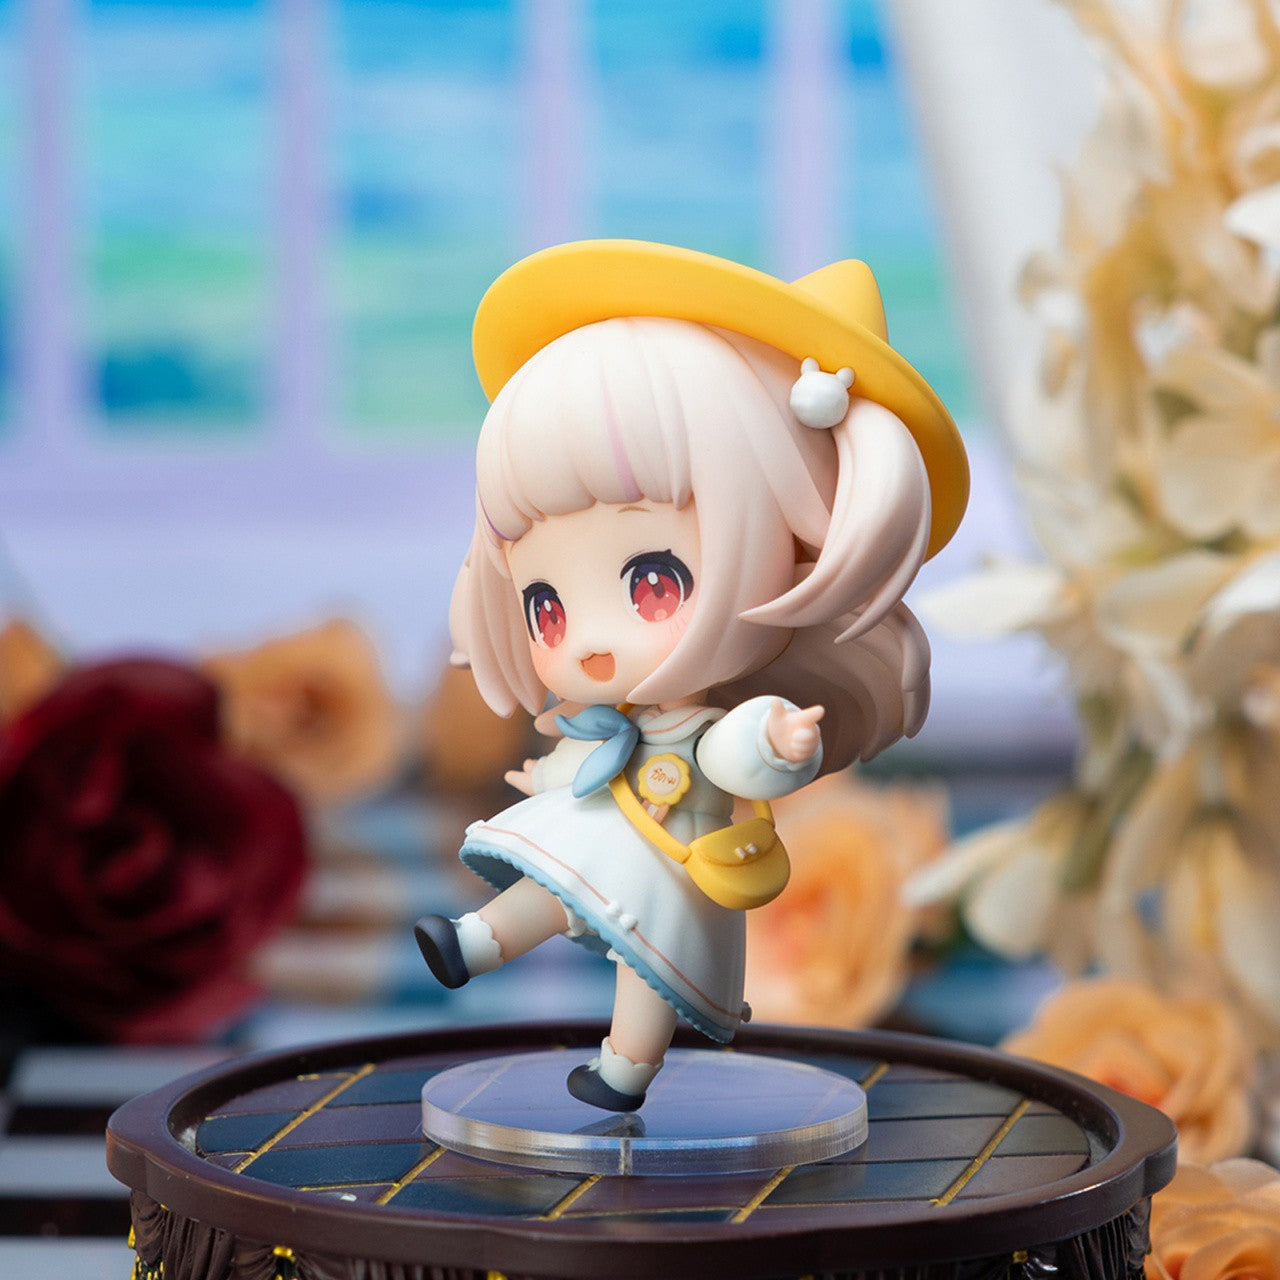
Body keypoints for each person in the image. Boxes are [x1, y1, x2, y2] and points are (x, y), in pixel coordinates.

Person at [415, 240, 967, 1112]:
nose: (590, 643)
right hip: (606, 824)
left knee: (648, 968)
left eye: (652, 583)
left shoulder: (710, 723)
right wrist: (550, 774)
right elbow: (589, 751)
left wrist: (777, 740)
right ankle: (473, 941)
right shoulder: (607, 716)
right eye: (547, 607)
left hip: (678, 860)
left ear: (781, 544)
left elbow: (734, 756)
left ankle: (624, 1071)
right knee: (554, 881)